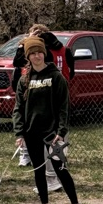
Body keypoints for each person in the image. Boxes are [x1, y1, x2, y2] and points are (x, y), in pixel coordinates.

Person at [12, 35, 85, 204]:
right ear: (28, 57)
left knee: (60, 168)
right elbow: (18, 108)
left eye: (39, 53)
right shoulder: (24, 81)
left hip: (52, 133)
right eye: (33, 53)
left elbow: (63, 106)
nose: (37, 56)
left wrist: (61, 132)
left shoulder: (56, 77)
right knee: (38, 170)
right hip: (31, 133)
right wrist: (19, 132)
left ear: (45, 54)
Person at [12, 24, 75, 179]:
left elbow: (70, 71)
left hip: (55, 96)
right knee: (38, 148)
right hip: (35, 96)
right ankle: (39, 167)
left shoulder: (55, 50)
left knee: (56, 143)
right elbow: (17, 61)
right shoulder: (30, 52)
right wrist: (26, 41)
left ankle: (57, 175)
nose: (37, 54)